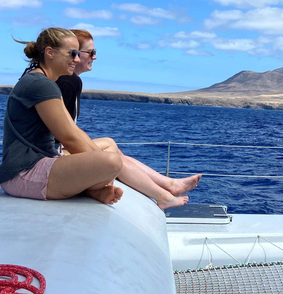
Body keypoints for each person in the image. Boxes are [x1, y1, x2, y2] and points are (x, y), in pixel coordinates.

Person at [56, 29, 201, 207]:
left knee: (110, 144)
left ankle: (169, 185)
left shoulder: (70, 81)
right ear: (75, 54)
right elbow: (65, 132)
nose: (94, 57)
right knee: (110, 156)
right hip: (57, 152)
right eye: (91, 53)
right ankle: (163, 194)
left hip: (60, 147)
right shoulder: (68, 82)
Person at [0, 28, 123, 205]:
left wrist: (97, 163)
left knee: (109, 148)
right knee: (112, 162)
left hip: (38, 163)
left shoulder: (46, 82)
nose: (76, 60)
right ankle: (94, 189)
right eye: (72, 54)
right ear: (50, 52)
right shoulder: (41, 85)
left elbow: (75, 132)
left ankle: (93, 190)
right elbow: (68, 138)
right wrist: (103, 171)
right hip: (23, 173)